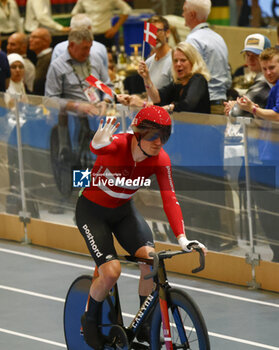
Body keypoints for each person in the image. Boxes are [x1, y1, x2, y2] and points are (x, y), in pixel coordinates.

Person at [75, 105, 206, 349]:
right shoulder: (118, 145)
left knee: (151, 260)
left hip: (124, 212)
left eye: (164, 136)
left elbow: (170, 198)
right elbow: (101, 147)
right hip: (92, 212)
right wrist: (96, 143)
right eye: (153, 135)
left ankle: (145, 324)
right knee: (112, 272)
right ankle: (89, 319)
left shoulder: (161, 160)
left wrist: (182, 238)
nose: (159, 142)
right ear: (137, 133)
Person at [236, 47, 279, 262]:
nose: (268, 72)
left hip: (274, 157)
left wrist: (252, 108)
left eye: (272, 67)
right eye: (265, 69)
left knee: (270, 209)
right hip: (268, 154)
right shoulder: (273, 88)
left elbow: (277, 115)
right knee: (267, 209)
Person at [129, 42, 210, 114]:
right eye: (175, 61)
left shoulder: (198, 79)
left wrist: (169, 108)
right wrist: (146, 78)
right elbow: (157, 98)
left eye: (183, 60)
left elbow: (188, 104)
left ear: (192, 61)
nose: (178, 64)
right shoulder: (178, 83)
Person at [182, 0, 231, 114]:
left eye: (184, 11)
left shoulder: (193, 40)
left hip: (204, 107)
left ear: (192, 14)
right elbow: (228, 79)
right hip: (222, 105)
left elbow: (190, 76)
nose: (182, 15)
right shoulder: (219, 38)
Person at [224, 33, 272, 118]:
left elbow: (238, 113)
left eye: (256, 55)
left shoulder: (265, 79)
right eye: (248, 54)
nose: (250, 59)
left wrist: (233, 108)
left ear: (267, 57)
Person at [29, 28, 52, 96]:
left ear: (46, 41)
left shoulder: (49, 59)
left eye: (34, 37)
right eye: (30, 37)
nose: (30, 40)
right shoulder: (42, 58)